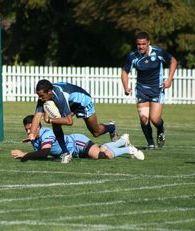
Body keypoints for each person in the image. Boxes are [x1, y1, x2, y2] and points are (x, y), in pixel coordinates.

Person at [28, 79, 118, 163]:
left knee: (96, 132)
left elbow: (69, 122)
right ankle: (66, 153)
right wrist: (32, 134)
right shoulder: (45, 96)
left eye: (41, 95)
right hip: (71, 102)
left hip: (83, 102)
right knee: (56, 123)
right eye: (38, 95)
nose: (39, 98)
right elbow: (37, 115)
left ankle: (112, 127)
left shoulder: (60, 96)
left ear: (49, 92)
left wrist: (50, 120)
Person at [121, 31, 177, 149]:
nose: (141, 46)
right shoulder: (133, 56)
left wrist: (169, 79)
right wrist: (126, 87)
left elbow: (173, 61)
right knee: (144, 119)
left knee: (155, 119)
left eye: (143, 44)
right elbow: (125, 72)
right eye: (138, 44)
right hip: (141, 90)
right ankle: (150, 143)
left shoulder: (158, 52)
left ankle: (160, 130)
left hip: (157, 89)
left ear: (148, 43)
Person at [12, 115, 144, 162]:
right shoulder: (34, 138)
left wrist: (25, 155)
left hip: (77, 143)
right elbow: (42, 155)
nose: (28, 131)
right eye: (27, 128)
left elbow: (44, 152)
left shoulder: (46, 134)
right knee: (101, 149)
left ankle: (129, 149)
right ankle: (122, 140)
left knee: (103, 156)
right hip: (75, 151)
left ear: (38, 127)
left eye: (31, 128)